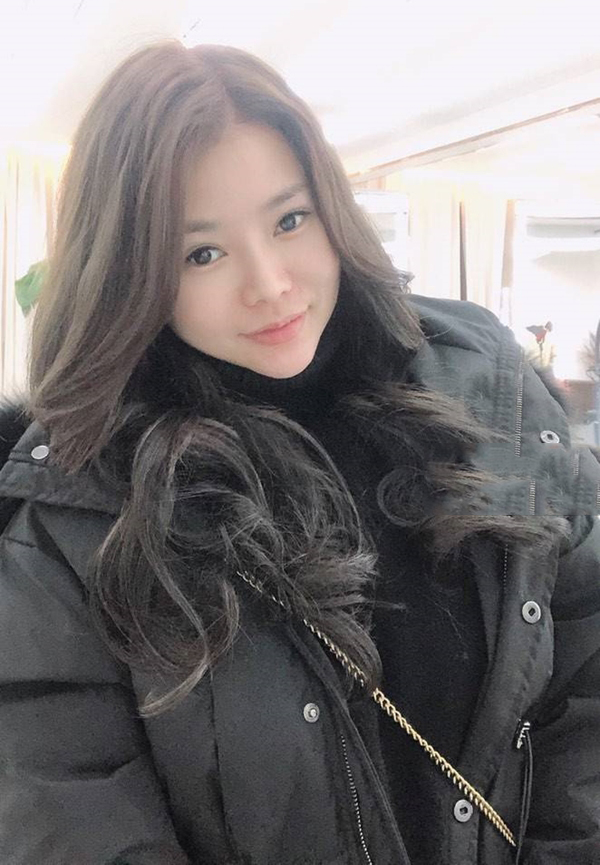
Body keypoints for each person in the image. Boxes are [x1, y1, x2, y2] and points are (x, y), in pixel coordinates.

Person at [0, 42, 599, 865]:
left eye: (290, 220)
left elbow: (584, 659)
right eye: (201, 253)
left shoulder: (485, 389)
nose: (270, 283)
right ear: (132, 273)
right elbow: (67, 809)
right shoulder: (81, 510)